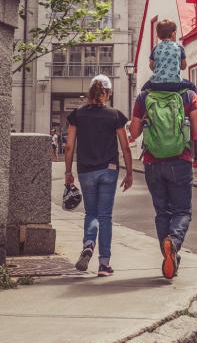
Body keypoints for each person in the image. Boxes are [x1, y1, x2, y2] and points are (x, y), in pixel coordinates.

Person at [129, 81, 197, 280]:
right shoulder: (188, 95)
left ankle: (170, 256)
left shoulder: (144, 97)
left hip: (152, 163)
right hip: (180, 161)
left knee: (162, 212)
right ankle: (173, 241)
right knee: (182, 211)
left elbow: (134, 133)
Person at [65, 74, 133, 277]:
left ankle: (88, 243)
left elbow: (69, 146)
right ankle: (104, 265)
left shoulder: (77, 115)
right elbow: (125, 146)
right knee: (105, 216)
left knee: (91, 213)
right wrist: (129, 172)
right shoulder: (115, 115)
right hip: (108, 170)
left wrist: (68, 172)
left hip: (86, 171)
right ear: (108, 93)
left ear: (90, 93)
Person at [142, 19, 197, 93]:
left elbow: (151, 67)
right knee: (192, 86)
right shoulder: (179, 48)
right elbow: (183, 66)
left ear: (158, 36)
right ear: (173, 34)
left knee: (143, 90)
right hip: (175, 84)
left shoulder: (155, 49)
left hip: (156, 84)